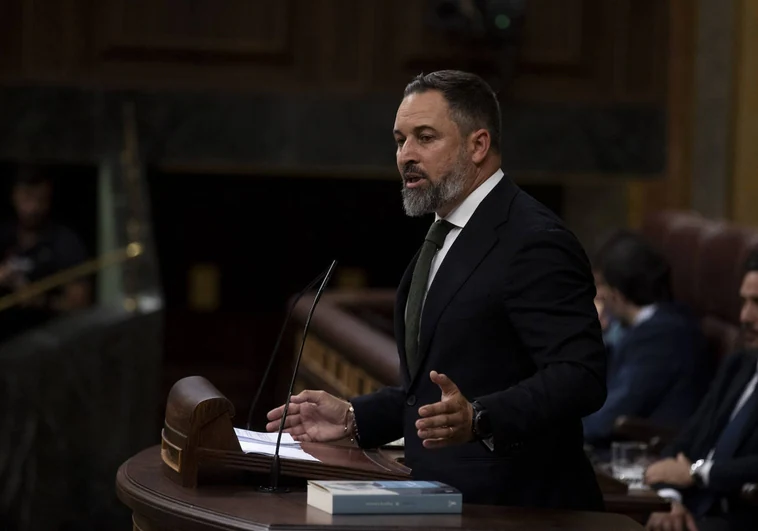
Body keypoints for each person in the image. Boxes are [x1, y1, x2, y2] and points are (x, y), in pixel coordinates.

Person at [267, 70, 608, 510]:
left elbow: (581, 377)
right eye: (399, 140)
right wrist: (355, 417)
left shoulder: (534, 240)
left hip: (520, 510)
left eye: (424, 138)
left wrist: (482, 418)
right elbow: (445, 385)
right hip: (445, 500)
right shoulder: (443, 236)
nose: (406, 155)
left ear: (478, 145)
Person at [643, 250, 758, 531]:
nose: (745, 316)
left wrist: (698, 474)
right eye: (743, 302)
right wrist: (670, 499)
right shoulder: (740, 364)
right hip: (693, 511)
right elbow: (689, 438)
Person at [583, 235, 709, 447]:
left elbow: (611, 414)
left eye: (602, 288)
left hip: (649, 453)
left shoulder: (662, 337)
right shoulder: (663, 325)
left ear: (616, 294)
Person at [0, 165, 90, 341]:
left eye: (40, 199)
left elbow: (81, 305)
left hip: (47, 343)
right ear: (14, 196)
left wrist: (42, 300)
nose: (32, 208)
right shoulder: (4, 235)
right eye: (26, 198)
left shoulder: (65, 242)